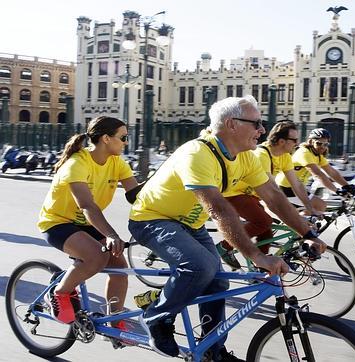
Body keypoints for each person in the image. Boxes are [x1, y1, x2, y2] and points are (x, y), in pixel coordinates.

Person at [128, 96, 326, 360]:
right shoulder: (198, 153)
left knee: (218, 281)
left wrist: (308, 233)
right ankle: (157, 316)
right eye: (257, 123)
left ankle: (212, 349)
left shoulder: (246, 157)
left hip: (190, 223)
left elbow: (274, 197)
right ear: (232, 124)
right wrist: (256, 255)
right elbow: (218, 209)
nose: (263, 130)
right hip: (152, 218)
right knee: (200, 267)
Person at [37, 116, 137, 327]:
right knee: (95, 257)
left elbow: (137, 195)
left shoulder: (117, 162)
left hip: (86, 224)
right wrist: (111, 234)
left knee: (119, 266)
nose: (127, 142)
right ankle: (59, 293)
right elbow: (87, 205)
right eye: (123, 137)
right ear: (106, 139)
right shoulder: (77, 163)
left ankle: (115, 320)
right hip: (57, 222)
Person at [216, 121, 322, 269]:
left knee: (267, 234)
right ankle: (224, 247)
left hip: (252, 196)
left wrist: (309, 208)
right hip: (234, 193)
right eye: (294, 140)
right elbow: (272, 191)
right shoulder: (261, 155)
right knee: (263, 221)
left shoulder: (285, 156)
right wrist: (295, 218)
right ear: (281, 141)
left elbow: (296, 184)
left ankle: (260, 269)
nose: (298, 144)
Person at [275, 128, 354, 212]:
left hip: (297, 188)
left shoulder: (318, 155)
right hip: (285, 188)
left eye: (325, 144)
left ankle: (302, 224)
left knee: (315, 210)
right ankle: (300, 224)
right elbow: (318, 174)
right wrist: (337, 191)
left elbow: (332, 172)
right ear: (310, 142)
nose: (322, 147)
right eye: (319, 143)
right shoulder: (304, 153)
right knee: (319, 205)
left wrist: (347, 186)